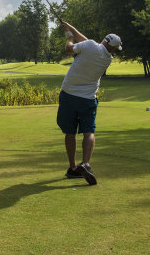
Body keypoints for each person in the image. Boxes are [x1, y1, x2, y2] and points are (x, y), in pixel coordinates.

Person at [57, 22, 122, 185]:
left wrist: (69, 36)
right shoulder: (107, 58)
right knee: (89, 131)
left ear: (104, 40)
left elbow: (69, 48)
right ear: (112, 48)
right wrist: (70, 27)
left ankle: (73, 168)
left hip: (69, 95)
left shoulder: (91, 46)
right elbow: (88, 43)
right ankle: (86, 163)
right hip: (88, 99)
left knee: (70, 132)